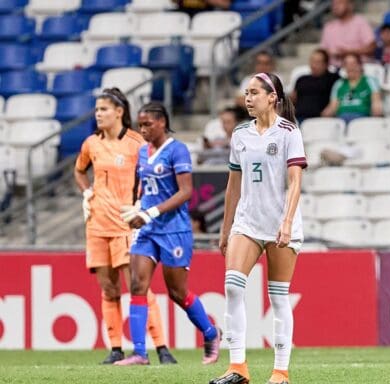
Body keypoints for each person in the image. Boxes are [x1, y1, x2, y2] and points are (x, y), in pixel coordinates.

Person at [211, 72, 307, 384]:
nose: (248, 98)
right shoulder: (240, 134)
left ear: (272, 97)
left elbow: (295, 182)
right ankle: (237, 368)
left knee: (278, 297)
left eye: (254, 92)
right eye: (247, 93)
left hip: (280, 224)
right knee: (232, 287)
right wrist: (226, 228)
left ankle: (280, 372)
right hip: (248, 223)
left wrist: (287, 222)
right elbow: (233, 186)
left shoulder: (289, 132)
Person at [74, 88, 175, 365]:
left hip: (126, 225)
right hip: (97, 225)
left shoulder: (136, 143)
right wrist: (86, 192)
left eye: (104, 109)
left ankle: (161, 347)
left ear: (119, 112)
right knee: (108, 288)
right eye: (97, 109)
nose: (98, 114)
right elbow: (79, 169)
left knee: (138, 286)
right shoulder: (91, 144)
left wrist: (143, 205)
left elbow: (152, 175)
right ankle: (116, 348)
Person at [114, 102, 220, 366]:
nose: (143, 130)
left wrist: (150, 212)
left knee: (177, 292)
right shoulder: (142, 152)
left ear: (162, 122)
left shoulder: (177, 150)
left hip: (174, 229)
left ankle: (210, 332)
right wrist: (137, 208)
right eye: (140, 125)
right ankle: (140, 353)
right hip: (148, 229)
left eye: (147, 124)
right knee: (137, 285)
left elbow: (186, 192)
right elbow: (143, 187)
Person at [321, 53, 383, 123]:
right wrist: (323, 115)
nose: (350, 67)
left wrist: (377, 111)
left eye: (353, 64)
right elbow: (333, 106)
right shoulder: (339, 84)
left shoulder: (369, 81)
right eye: (346, 64)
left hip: (362, 119)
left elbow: (376, 101)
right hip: (341, 119)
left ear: (360, 65)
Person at [320, 0, 375, 67]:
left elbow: (371, 48)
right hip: (333, 69)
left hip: (358, 68)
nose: (335, 7)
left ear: (350, 5)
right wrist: (332, 54)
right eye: (333, 4)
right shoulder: (329, 26)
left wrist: (349, 52)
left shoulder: (360, 22)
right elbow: (323, 52)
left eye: (339, 3)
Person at [291, 49, 340, 122]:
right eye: (312, 61)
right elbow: (292, 99)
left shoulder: (334, 78)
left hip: (320, 119)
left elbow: (338, 97)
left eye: (318, 62)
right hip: (298, 118)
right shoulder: (301, 79)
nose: (314, 65)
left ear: (326, 64)